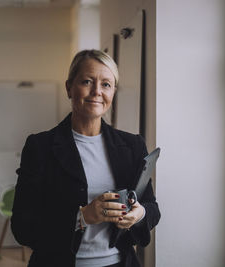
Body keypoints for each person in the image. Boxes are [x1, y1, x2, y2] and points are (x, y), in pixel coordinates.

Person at [11, 49, 161, 267]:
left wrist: (139, 215)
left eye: (106, 84)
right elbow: (22, 227)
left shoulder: (133, 145)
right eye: (87, 81)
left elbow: (152, 208)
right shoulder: (40, 147)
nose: (97, 91)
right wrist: (82, 217)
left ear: (113, 92)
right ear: (69, 88)